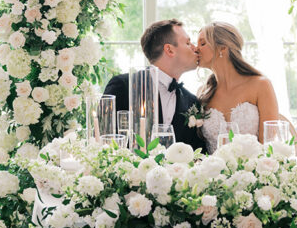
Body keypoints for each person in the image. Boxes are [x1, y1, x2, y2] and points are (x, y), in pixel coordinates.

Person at [103, 19, 203, 149]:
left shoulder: (192, 102)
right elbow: (104, 141)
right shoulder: (123, 86)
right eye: (188, 43)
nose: (195, 48)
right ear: (169, 50)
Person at [196, 22, 280, 152]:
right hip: (211, 170)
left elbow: (268, 145)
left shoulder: (261, 85)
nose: (196, 49)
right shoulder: (203, 93)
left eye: (202, 44)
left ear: (222, 48)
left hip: (255, 170)